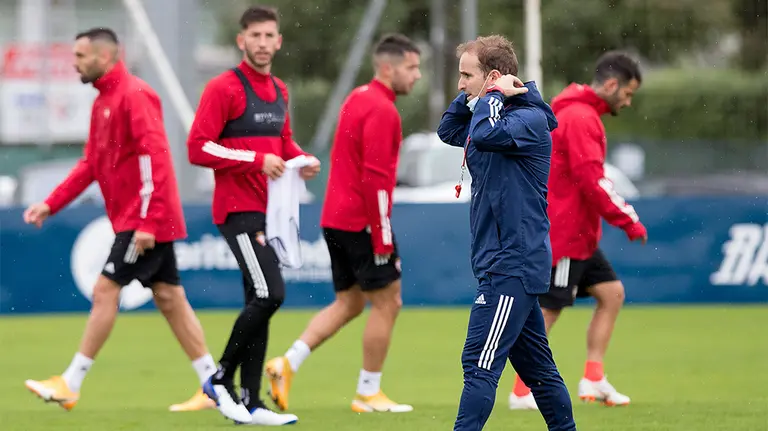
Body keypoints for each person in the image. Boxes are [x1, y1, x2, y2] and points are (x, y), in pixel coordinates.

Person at [23, 27, 217, 413]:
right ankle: (213, 385)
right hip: (139, 217)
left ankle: (71, 383)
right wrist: (51, 203)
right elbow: (91, 165)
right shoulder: (103, 102)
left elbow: (155, 159)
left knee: (105, 289)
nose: (74, 62)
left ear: (105, 57)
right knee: (169, 298)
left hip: (143, 219)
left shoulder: (134, 95)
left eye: (80, 56)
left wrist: (147, 220)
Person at [264, 33, 421, 414]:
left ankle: (287, 363)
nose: (416, 76)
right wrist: (381, 235)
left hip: (336, 218)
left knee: (349, 303)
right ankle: (368, 392)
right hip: (362, 222)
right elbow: (376, 179)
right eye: (412, 67)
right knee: (389, 302)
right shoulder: (383, 110)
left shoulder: (357, 97)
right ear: (388, 67)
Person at [186, 6, 320, 426]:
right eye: (255, 35)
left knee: (257, 300)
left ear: (279, 41)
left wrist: (302, 159)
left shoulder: (279, 88)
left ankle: (252, 401)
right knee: (269, 295)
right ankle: (219, 380)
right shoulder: (223, 87)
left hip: (271, 214)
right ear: (241, 40)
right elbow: (197, 147)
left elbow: (282, 143)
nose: (262, 43)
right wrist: (254, 160)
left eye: (269, 36)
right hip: (237, 211)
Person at [436, 35, 577, 431]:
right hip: (504, 262)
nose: (460, 85)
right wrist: (481, 95)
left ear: (493, 77)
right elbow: (448, 130)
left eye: (467, 76)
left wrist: (493, 95)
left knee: (478, 362)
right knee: (540, 373)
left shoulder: (526, 120)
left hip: (511, 263)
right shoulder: (491, 113)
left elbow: (482, 136)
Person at [508, 51, 647, 410]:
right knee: (548, 310)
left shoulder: (578, 112)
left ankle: (594, 377)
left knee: (611, 293)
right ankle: (522, 391)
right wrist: (627, 219)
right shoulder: (581, 117)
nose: (628, 102)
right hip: (565, 234)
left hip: (581, 235)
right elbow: (592, 179)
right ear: (612, 85)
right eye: (628, 93)